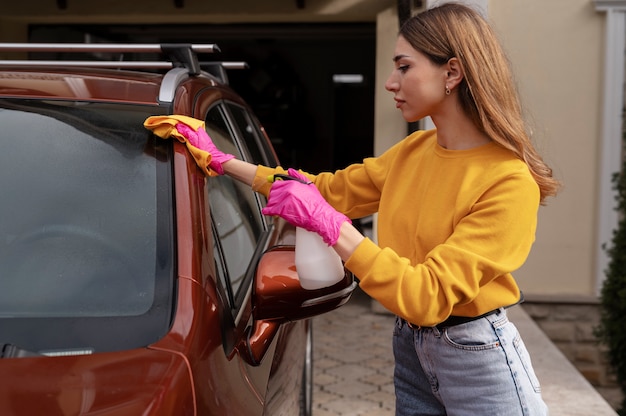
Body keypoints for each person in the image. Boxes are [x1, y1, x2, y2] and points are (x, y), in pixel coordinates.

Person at [147, 3, 559, 414]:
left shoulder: (507, 182)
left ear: (452, 72)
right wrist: (221, 161)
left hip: (477, 359)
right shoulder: (414, 152)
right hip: (412, 348)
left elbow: (425, 296)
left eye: (404, 67)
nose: (390, 83)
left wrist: (333, 228)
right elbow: (323, 191)